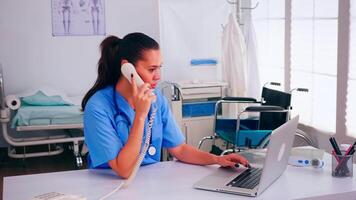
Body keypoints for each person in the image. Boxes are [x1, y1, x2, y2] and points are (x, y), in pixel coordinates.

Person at [82, 32, 249, 179]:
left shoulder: (157, 100)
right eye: (152, 69)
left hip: (150, 182)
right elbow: (124, 170)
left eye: (159, 68)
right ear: (127, 67)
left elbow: (180, 149)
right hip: (109, 185)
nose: (158, 76)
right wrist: (140, 115)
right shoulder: (98, 107)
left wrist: (217, 159)